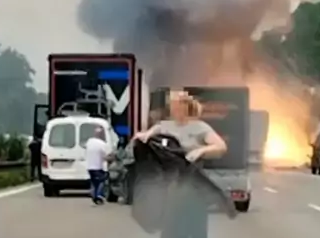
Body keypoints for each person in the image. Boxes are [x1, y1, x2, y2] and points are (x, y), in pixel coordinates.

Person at [132, 92, 227, 238]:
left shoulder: (200, 127)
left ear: (184, 106)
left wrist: (201, 150)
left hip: (193, 186)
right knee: (171, 231)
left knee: (195, 230)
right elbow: (148, 135)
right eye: (171, 105)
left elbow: (220, 146)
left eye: (175, 105)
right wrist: (142, 137)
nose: (172, 108)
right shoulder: (164, 126)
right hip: (171, 188)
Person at [84, 126, 110, 205]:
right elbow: (106, 156)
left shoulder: (89, 141)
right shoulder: (102, 144)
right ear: (101, 134)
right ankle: (98, 196)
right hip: (98, 167)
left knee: (94, 181)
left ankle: (93, 194)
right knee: (102, 180)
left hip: (89, 167)